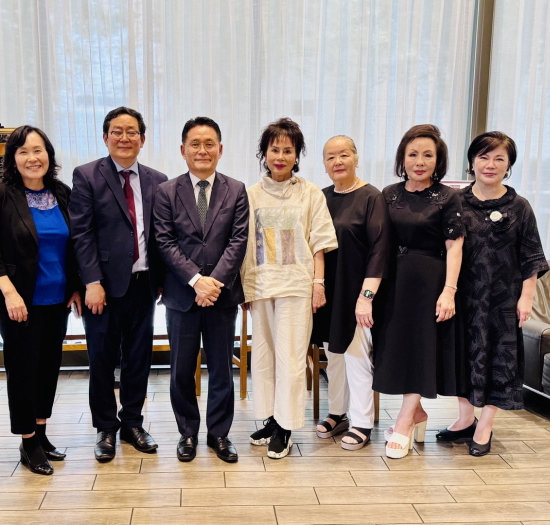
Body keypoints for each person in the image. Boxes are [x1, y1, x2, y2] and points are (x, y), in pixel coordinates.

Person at [436, 132, 548, 456]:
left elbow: (531, 257)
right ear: (472, 162)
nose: (491, 164)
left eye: (499, 158)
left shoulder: (520, 206)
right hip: (462, 298)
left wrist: (526, 298)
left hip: (502, 301)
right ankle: (464, 419)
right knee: (462, 358)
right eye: (484, 157)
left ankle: (485, 425)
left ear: (509, 165)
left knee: (500, 361)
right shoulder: (455, 202)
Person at [0, 125, 81, 475]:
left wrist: (76, 287)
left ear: (48, 155)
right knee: (22, 371)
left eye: (38, 150)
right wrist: (9, 292)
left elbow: (74, 245)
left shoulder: (62, 193)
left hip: (57, 299)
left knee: (49, 367)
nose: (32, 158)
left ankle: (41, 432)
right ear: (13, 158)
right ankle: (27, 441)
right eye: (23, 151)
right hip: (18, 302)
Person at [69, 107, 167, 462]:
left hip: (144, 283)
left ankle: (133, 423)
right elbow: (81, 234)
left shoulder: (158, 179)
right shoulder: (87, 176)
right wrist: (92, 282)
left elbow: (161, 233)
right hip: (103, 288)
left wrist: (162, 279)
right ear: (105, 137)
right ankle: (105, 428)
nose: (124, 138)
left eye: (131, 132)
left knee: (139, 358)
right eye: (117, 131)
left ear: (142, 138)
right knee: (102, 358)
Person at [154, 116, 249, 463]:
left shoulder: (236, 189)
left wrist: (213, 284)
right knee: (181, 369)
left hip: (221, 297)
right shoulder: (167, 191)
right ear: (183, 150)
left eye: (209, 144)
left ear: (220, 149)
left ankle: (219, 434)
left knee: (222, 368)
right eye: (195, 144)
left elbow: (238, 241)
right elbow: (165, 242)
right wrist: (196, 280)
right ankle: (188, 433)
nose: (202, 150)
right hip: (182, 296)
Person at [241, 118, 337, 459]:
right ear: (264, 153)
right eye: (274, 149)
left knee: (292, 357)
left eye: (287, 150)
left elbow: (319, 243)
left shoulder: (310, 193)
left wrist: (318, 284)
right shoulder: (250, 195)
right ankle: (271, 418)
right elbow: (243, 245)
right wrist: (245, 289)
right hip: (261, 285)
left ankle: (286, 426)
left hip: (297, 286)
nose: (280, 157)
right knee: (264, 356)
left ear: (297, 155)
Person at [372, 124, 466, 459]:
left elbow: (455, 247)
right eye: (413, 154)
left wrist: (449, 291)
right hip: (394, 281)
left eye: (428, 155)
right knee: (398, 349)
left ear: (438, 160)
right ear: (403, 158)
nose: (420, 161)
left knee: (421, 349)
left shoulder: (447, 197)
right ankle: (417, 413)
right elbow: (380, 241)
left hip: (430, 282)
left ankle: (403, 423)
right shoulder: (389, 194)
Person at [312, 135, 390, 451]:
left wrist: (366, 297)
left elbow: (380, 250)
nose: (338, 162)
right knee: (334, 355)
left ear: (356, 158)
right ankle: (338, 412)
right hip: (328, 289)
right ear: (324, 164)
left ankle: (362, 421)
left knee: (357, 356)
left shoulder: (372, 197)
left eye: (344, 154)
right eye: (330, 157)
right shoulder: (321, 197)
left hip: (358, 292)